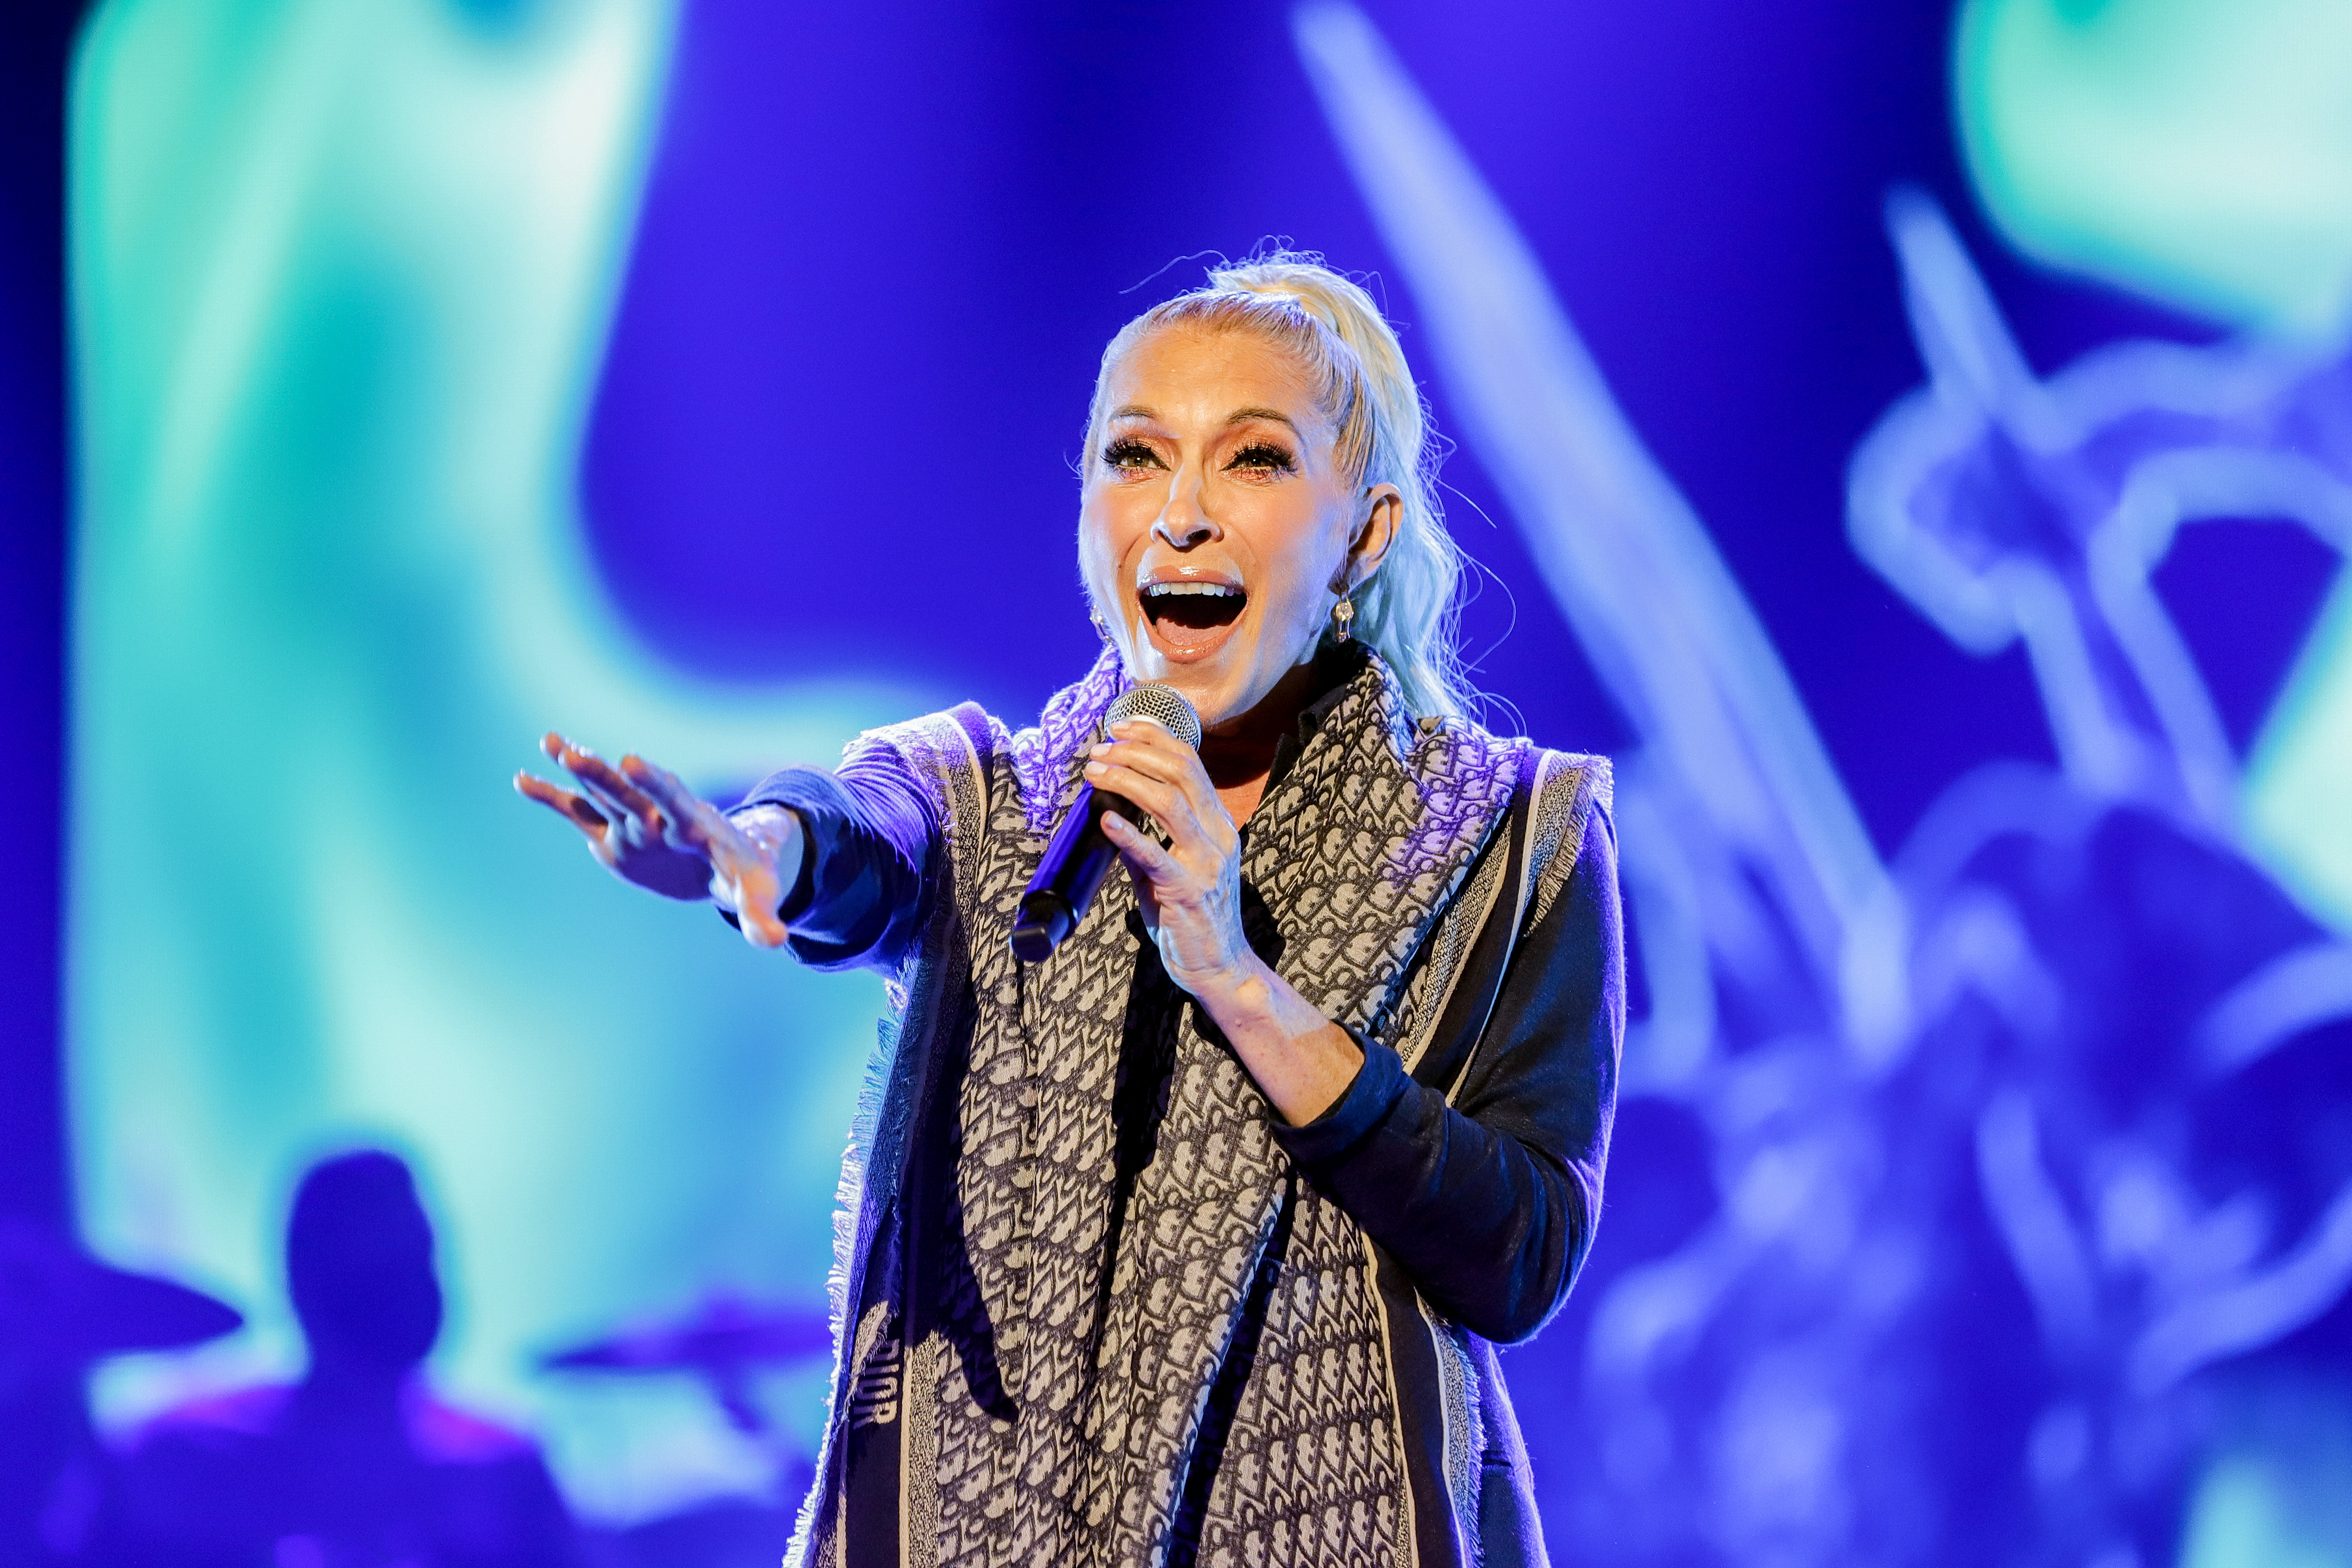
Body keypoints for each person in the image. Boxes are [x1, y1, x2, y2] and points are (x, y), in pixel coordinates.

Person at [517, 255, 1623, 1568]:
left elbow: (1521, 1254)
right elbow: (857, 829)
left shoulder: (1509, 837)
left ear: (1363, 532)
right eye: (1135, 457)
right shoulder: (992, 802)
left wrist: (1242, 981)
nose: (1181, 516)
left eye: (1254, 461)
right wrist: (754, 856)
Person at [104, 1151, 581, 1568]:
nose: (404, 1285)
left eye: (415, 1254)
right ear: (303, 1280)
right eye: (375, 1264)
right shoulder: (187, 1457)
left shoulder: (502, 1471)